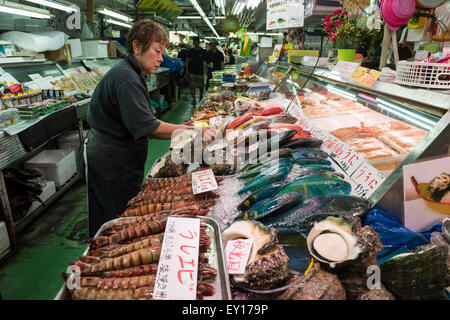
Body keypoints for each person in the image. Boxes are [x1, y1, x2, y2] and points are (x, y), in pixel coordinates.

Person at [85, 20, 215, 237]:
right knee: (113, 221)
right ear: (137, 47)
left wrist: (183, 127)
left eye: (162, 52)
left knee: (122, 213)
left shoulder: (132, 72)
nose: (161, 58)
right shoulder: (127, 78)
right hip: (110, 162)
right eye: (157, 51)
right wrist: (192, 131)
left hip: (117, 155)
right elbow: (148, 127)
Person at [186, 36, 208, 105]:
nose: (195, 43)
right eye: (194, 42)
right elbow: (187, 61)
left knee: (201, 86)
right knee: (192, 86)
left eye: (196, 41)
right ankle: (194, 99)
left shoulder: (203, 51)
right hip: (192, 72)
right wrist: (187, 70)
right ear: (193, 42)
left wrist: (206, 68)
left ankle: (201, 95)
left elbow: (205, 61)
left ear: (199, 42)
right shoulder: (190, 51)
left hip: (200, 72)